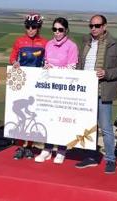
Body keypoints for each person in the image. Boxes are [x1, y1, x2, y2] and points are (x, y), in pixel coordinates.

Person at [74, 14, 117, 174]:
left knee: (105, 127)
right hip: (85, 92)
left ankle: (110, 159)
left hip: (102, 92)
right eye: (91, 26)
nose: (94, 29)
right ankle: (91, 157)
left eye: (97, 26)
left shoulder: (114, 45)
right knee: (89, 127)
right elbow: (79, 65)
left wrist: (107, 73)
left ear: (105, 26)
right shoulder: (85, 42)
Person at [35, 17, 79, 164]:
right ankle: (47, 149)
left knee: (61, 119)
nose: (57, 32)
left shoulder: (72, 46)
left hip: (64, 89)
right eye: (54, 29)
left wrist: (54, 69)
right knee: (48, 118)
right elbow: (46, 62)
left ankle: (61, 150)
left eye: (60, 29)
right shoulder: (48, 45)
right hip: (49, 88)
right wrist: (46, 67)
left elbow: (72, 68)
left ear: (66, 30)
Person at [9, 12, 48, 160]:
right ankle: (20, 146)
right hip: (22, 82)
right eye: (28, 26)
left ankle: (30, 146)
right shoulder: (19, 41)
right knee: (20, 116)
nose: (30, 29)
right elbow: (12, 56)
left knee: (33, 113)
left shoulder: (44, 43)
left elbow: (48, 60)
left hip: (37, 84)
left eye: (34, 27)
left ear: (39, 28)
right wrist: (14, 62)